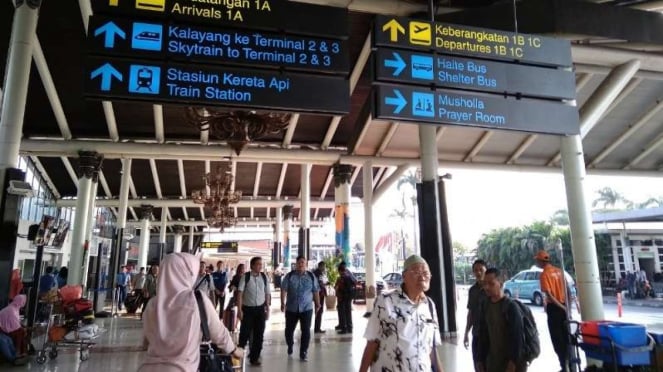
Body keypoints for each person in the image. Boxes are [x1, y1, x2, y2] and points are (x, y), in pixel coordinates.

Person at [139, 253, 243, 372]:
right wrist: (234, 350)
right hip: (183, 368)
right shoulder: (196, 300)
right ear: (186, 273)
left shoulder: (152, 304)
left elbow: (146, 341)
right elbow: (218, 333)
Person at [359, 255, 443, 372]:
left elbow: (431, 350)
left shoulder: (430, 306)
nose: (422, 276)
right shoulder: (385, 301)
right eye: (416, 271)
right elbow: (372, 342)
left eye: (426, 272)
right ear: (404, 276)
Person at [476, 268, 527, 372]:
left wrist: (512, 363)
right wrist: (480, 359)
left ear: (501, 283)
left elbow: (517, 339)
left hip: (509, 364)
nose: (486, 287)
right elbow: (483, 334)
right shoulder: (485, 306)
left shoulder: (511, 307)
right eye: (485, 283)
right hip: (492, 363)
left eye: (491, 284)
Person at [280, 256, 321, 361]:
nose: (301, 264)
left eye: (303, 262)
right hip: (291, 308)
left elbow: (315, 290)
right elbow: (284, 289)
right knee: (289, 330)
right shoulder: (289, 276)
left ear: (306, 264)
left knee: (306, 331)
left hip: (306, 308)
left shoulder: (311, 276)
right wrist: (282, 303)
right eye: (299, 262)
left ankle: (303, 351)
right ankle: (290, 344)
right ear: (296, 264)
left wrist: (318, 303)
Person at [535, 250, 569, 372]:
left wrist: (561, 307)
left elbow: (549, 295)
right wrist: (566, 306)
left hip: (555, 309)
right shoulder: (560, 271)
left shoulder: (544, 275)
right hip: (564, 307)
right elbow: (567, 288)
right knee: (566, 337)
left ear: (540, 261)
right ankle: (569, 364)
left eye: (537, 260)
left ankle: (564, 366)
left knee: (557, 339)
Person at [237, 257, 271, 366]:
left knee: (259, 335)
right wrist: (239, 310)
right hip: (247, 310)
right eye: (257, 264)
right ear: (252, 266)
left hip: (260, 310)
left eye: (261, 264)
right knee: (244, 334)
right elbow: (240, 294)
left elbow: (267, 294)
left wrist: (267, 308)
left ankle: (254, 358)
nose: (260, 266)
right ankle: (238, 357)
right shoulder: (245, 277)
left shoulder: (264, 277)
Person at [464, 259, 488, 372]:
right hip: (477, 334)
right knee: (478, 365)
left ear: (486, 271)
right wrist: (466, 333)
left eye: (481, 270)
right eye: (475, 270)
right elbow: (471, 313)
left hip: (490, 336)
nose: (478, 273)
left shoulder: (491, 289)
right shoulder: (472, 291)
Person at [0, 295, 29, 365]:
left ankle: (16, 356)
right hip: (3, 329)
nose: (24, 303)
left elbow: (16, 322)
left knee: (8, 339)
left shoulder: (15, 308)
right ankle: (13, 359)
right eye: (23, 301)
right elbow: (15, 325)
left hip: (2, 329)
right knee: (3, 341)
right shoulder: (11, 310)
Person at [335, 261, 356, 334]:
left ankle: (344, 328)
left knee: (343, 312)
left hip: (343, 297)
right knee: (348, 312)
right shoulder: (350, 275)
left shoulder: (342, 278)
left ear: (340, 270)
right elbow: (354, 282)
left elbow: (338, 287)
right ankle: (349, 328)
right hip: (349, 296)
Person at [312, 261, 328, 334]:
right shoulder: (317, 273)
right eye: (323, 266)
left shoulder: (319, 273)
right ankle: (317, 328)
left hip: (320, 294)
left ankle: (318, 328)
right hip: (318, 294)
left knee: (319, 311)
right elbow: (318, 284)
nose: (324, 268)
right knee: (319, 310)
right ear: (320, 266)